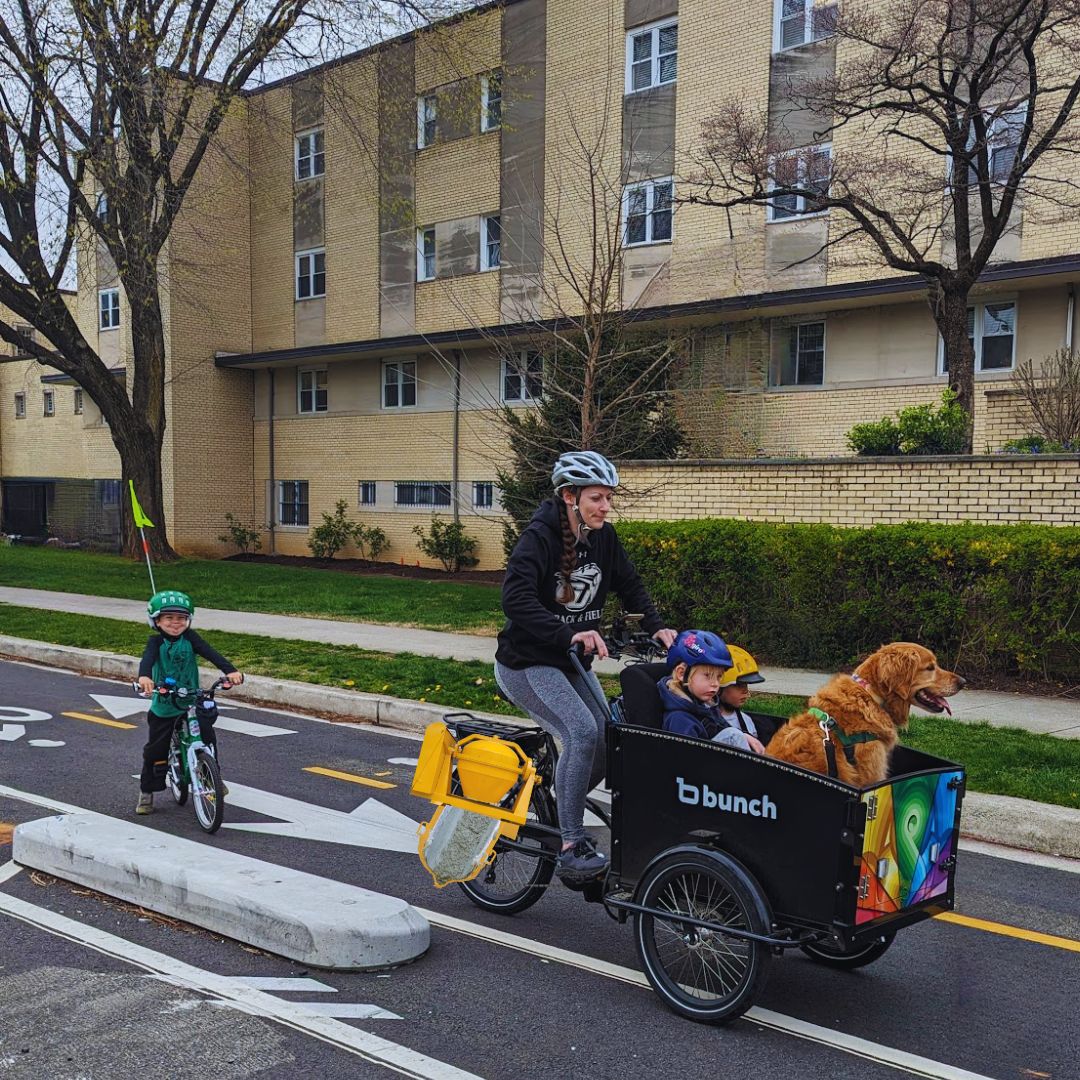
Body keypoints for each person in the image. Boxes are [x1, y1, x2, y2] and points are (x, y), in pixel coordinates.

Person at [495, 450, 677, 881]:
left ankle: (561, 804)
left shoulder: (604, 539)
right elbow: (514, 599)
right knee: (581, 731)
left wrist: (657, 627)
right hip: (527, 662)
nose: (605, 506)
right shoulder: (539, 538)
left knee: (607, 737)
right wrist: (567, 634)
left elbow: (630, 584)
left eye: (609, 498)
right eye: (597, 498)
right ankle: (571, 844)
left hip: (571, 661)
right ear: (570, 496)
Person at [135, 590, 243, 815]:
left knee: (207, 737)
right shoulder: (156, 642)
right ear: (156, 621)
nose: (176, 623)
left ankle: (211, 775)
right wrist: (144, 677)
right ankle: (147, 791)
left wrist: (230, 670)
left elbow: (210, 653)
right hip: (165, 703)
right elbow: (147, 659)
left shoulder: (191, 638)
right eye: (169, 618)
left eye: (181, 618)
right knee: (156, 750)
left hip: (192, 700)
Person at [659, 631, 766, 754]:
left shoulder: (708, 706)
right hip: (695, 770)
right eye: (707, 675)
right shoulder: (680, 719)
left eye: (719, 677)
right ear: (682, 674)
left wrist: (745, 736)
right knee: (733, 736)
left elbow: (720, 728)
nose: (715, 683)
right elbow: (684, 765)